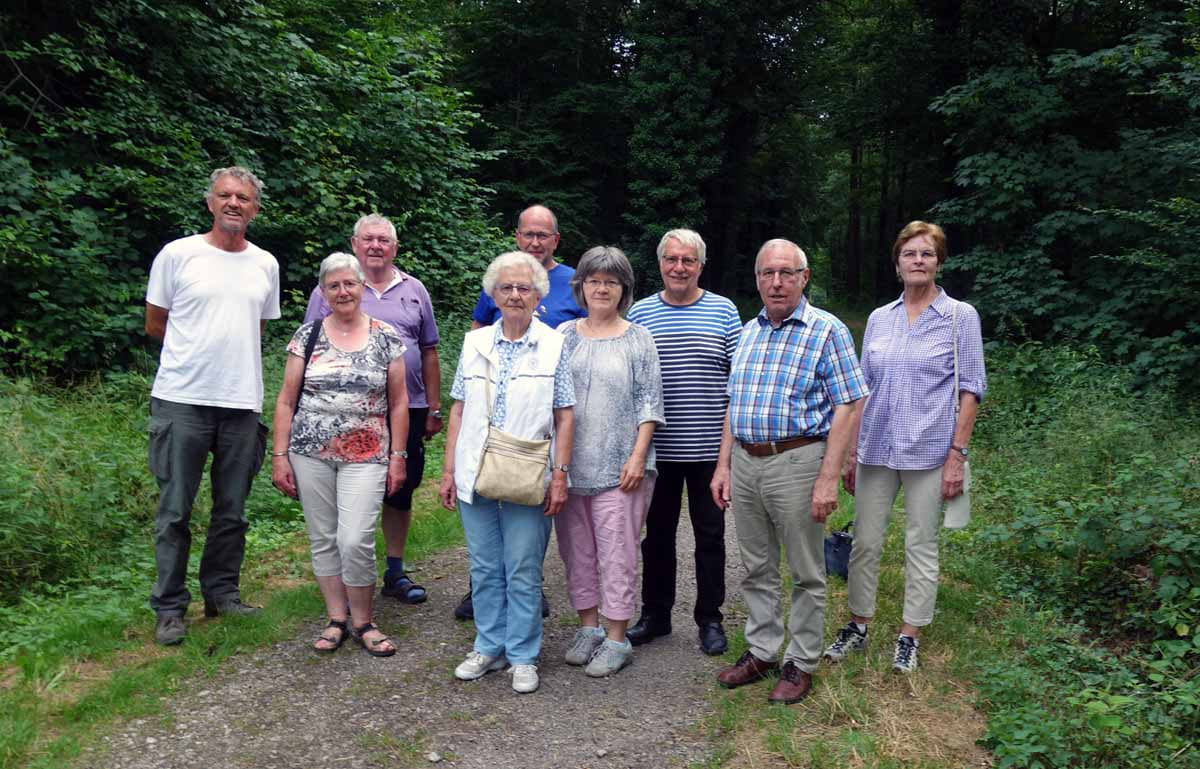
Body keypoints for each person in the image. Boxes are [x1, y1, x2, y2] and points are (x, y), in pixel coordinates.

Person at [710, 239, 867, 705]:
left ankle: (801, 662)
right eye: (766, 273)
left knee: (805, 570)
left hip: (797, 461)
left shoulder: (827, 330)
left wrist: (827, 475)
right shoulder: (747, 332)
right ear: (756, 279)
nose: (775, 282)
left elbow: (849, 403)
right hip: (746, 460)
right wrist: (722, 465)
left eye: (785, 273)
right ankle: (762, 651)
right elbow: (733, 404)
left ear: (804, 277)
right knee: (756, 566)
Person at [823, 221, 985, 674]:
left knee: (921, 544)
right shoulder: (880, 319)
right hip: (876, 447)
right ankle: (857, 625)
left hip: (930, 450)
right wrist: (851, 452)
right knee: (865, 543)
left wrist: (958, 455)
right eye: (910, 254)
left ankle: (909, 635)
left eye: (926, 254)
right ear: (897, 264)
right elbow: (861, 389)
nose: (918, 261)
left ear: (938, 262)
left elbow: (971, 389)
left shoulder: (959, 317)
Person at [145, 166, 280, 646]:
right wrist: (194, 357)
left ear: (255, 208)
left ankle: (221, 594)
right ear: (210, 203)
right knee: (175, 510)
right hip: (182, 400)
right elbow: (155, 322)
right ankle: (169, 608)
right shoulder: (178, 255)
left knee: (232, 510)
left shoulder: (265, 264)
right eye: (225, 195)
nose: (233, 204)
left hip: (241, 403)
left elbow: (256, 328)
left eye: (243, 197)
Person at [439, 251, 575, 694]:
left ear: (539, 295)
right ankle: (488, 645)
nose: (515, 295)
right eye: (506, 287)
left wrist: (560, 474)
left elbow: (565, 415)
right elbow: (458, 408)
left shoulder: (556, 343)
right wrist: (447, 470)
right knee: (483, 565)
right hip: (475, 468)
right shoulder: (473, 344)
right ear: (493, 294)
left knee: (521, 565)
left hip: (527, 469)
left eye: (524, 288)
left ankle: (522, 653)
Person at [271, 253, 409, 657]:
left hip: (367, 454)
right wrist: (280, 455)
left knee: (355, 539)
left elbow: (399, 403)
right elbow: (285, 400)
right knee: (324, 537)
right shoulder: (306, 336)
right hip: (309, 453)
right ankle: (336, 619)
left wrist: (398, 455)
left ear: (362, 287)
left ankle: (364, 620)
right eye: (334, 285)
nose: (343, 291)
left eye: (350, 283)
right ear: (323, 292)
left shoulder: (385, 336)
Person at [304, 213, 441, 605]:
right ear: (354, 244)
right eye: (368, 240)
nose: (376, 246)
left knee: (400, 488)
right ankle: (346, 576)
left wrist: (433, 405)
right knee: (343, 489)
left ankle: (394, 571)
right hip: (344, 411)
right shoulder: (330, 289)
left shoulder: (414, 290)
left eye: (384, 240)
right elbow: (308, 346)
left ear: (395, 247)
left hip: (407, 407)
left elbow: (429, 349)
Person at [456, 204, 585, 620]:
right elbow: (477, 340)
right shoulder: (499, 280)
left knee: (525, 526)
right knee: (485, 537)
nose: (534, 242)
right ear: (516, 236)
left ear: (555, 240)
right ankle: (485, 597)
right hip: (492, 418)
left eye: (542, 235)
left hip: (542, 411)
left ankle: (527, 596)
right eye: (528, 234)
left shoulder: (572, 283)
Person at [626, 229, 742, 656]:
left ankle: (710, 619)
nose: (679, 267)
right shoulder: (640, 314)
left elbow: (737, 386)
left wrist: (728, 457)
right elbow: (631, 385)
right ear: (660, 264)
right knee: (655, 536)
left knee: (710, 537)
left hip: (710, 450)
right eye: (672, 259)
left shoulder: (724, 312)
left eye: (688, 261)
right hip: (656, 452)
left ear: (700, 266)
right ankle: (655, 615)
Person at [556, 246, 664, 677]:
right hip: (569, 467)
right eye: (594, 280)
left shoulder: (638, 338)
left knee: (617, 554)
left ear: (624, 290)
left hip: (622, 470)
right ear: (581, 286)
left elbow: (650, 404)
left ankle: (617, 638)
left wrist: (638, 457)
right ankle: (589, 629)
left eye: (612, 282)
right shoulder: (563, 336)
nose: (602, 288)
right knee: (575, 553)